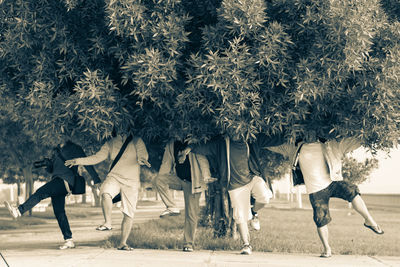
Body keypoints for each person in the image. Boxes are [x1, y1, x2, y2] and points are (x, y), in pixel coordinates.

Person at [267, 133, 384, 258]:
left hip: (332, 182)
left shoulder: (329, 144)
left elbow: (351, 143)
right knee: (320, 218)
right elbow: (274, 146)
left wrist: (368, 136)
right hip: (316, 190)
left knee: (352, 191)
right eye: (306, 131)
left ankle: (369, 221)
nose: (309, 134)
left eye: (312, 130)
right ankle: (327, 248)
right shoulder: (295, 147)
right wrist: (259, 142)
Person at [178, 133, 284, 255]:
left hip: (252, 177)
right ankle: (246, 245)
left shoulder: (251, 139)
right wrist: (189, 148)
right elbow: (205, 147)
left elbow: (272, 139)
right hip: (235, 185)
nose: (235, 132)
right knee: (240, 215)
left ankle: (254, 212)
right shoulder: (222, 144)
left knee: (265, 197)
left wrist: (290, 135)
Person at [4, 140, 100, 250]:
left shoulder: (75, 148)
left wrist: (96, 180)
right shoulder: (55, 150)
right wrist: (47, 165)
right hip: (57, 180)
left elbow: (87, 163)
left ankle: (19, 211)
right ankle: (69, 240)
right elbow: (52, 170)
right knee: (59, 212)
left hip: (65, 180)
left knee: (40, 193)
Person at [65, 132, 150, 251]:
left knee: (129, 213)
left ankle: (122, 243)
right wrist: (78, 161)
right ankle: (108, 223)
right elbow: (97, 157)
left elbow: (143, 155)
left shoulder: (136, 140)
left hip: (131, 180)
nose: (122, 129)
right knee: (105, 193)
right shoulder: (110, 143)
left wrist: (142, 160)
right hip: (115, 176)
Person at [152, 139, 212, 252]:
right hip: (179, 179)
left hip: (193, 182)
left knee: (191, 214)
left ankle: (188, 244)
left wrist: (206, 176)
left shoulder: (193, 142)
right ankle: (172, 207)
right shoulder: (171, 144)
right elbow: (166, 163)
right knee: (158, 179)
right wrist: (163, 178)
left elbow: (202, 160)